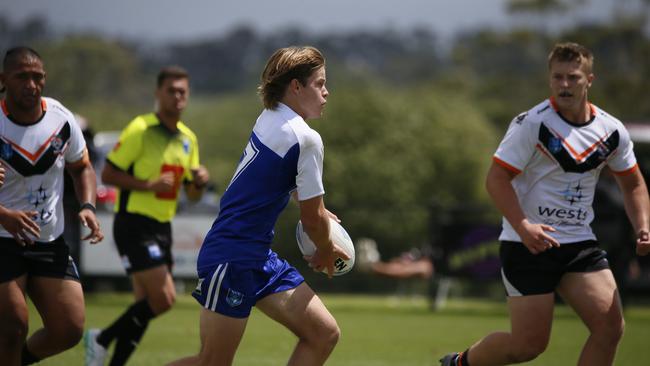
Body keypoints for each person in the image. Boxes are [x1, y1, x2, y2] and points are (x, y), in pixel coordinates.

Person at [440, 42, 650, 366]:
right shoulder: (533, 124)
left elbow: (633, 183)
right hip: (528, 244)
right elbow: (496, 180)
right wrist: (523, 226)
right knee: (528, 346)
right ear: (550, 79)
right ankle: (461, 363)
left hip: (579, 243)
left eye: (573, 77)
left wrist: (643, 227)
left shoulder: (611, 131)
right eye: (557, 78)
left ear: (589, 80)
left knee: (610, 327)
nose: (564, 85)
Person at [168, 46, 348, 366]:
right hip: (233, 256)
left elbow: (280, 180)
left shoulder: (271, 116)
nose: (326, 92)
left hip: (259, 256)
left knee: (323, 333)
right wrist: (325, 247)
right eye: (319, 83)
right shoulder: (305, 138)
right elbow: (312, 217)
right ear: (296, 86)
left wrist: (317, 214)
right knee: (212, 362)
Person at [84, 66, 210, 366]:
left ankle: (112, 361)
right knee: (164, 299)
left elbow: (191, 195)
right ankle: (100, 339)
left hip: (162, 225)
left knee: (145, 305)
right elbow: (109, 173)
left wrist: (199, 183)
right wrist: (148, 185)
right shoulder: (140, 129)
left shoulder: (188, 139)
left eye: (183, 91)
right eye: (171, 90)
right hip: (133, 223)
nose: (178, 96)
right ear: (158, 94)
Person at [0, 46, 104, 366]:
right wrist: (5, 216)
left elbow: (82, 167)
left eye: (37, 77)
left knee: (68, 329)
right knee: (13, 326)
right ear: (3, 80)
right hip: (2, 241)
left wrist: (87, 204)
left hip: (48, 239)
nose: (31, 84)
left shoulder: (61, 119)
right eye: (22, 77)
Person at [356, 238, 434, 279]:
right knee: (405, 265)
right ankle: (373, 266)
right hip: (431, 262)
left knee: (418, 267)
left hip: (432, 265)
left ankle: (373, 266)